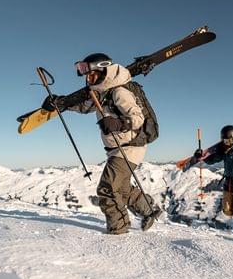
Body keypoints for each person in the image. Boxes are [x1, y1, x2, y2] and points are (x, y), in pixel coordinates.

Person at [42, 53, 162, 234]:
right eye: (86, 76)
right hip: (118, 149)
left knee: (107, 189)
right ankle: (149, 211)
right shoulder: (103, 92)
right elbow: (85, 106)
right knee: (120, 188)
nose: (88, 80)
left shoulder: (119, 91)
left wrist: (119, 123)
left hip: (129, 147)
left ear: (103, 70)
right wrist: (60, 103)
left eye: (91, 75)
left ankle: (118, 230)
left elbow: (138, 118)